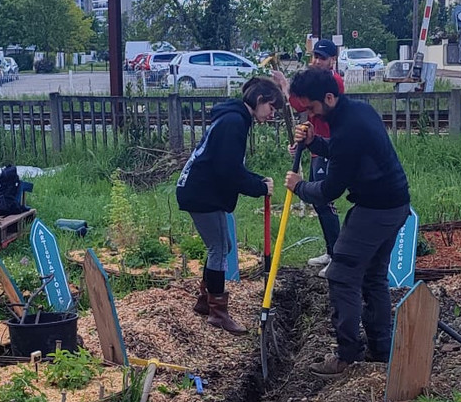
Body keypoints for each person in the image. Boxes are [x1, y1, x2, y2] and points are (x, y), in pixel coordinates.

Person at [285, 67, 411, 376]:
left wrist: (299, 186)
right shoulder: (358, 112)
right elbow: (343, 155)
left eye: (312, 108)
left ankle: (347, 357)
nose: (310, 115)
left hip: (375, 210)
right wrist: (315, 142)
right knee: (373, 278)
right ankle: (381, 349)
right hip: (393, 205)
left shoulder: (348, 128)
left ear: (329, 97)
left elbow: (330, 190)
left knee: (341, 276)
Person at [175, 76, 282, 334]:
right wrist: (258, 187)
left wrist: (257, 180)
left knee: (223, 246)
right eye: (271, 108)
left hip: (201, 189)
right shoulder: (235, 122)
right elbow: (228, 172)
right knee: (219, 247)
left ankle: (206, 301)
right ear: (259, 101)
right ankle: (218, 313)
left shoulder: (234, 118)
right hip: (201, 193)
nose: (272, 114)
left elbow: (231, 166)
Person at [276, 38, 345, 276]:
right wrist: (302, 142)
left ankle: (337, 257)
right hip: (317, 148)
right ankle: (330, 251)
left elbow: (299, 103)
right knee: (320, 202)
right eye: (314, 56)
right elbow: (305, 110)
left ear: (332, 60)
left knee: (325, 199)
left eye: (322, 58)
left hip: (329, 148)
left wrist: (286, 87)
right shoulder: (317, 81)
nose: (316, 61)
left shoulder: (333, 82)